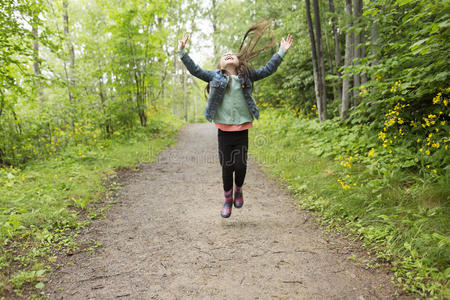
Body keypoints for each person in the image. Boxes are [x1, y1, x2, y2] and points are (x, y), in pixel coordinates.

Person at [177, 20, 293, 218]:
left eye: (232, 55)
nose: (228, 55)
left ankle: (238, 189)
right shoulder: (214, 77)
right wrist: (182, 53)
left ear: (239, 62)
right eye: (224, 56)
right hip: (224, 132)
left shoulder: (246, 76)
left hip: (242, 131)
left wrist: (281, 51)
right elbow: (195, 70)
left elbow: (267, 69)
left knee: (240, 165)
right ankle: (227, 198)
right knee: (226, 166)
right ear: (220, 65)